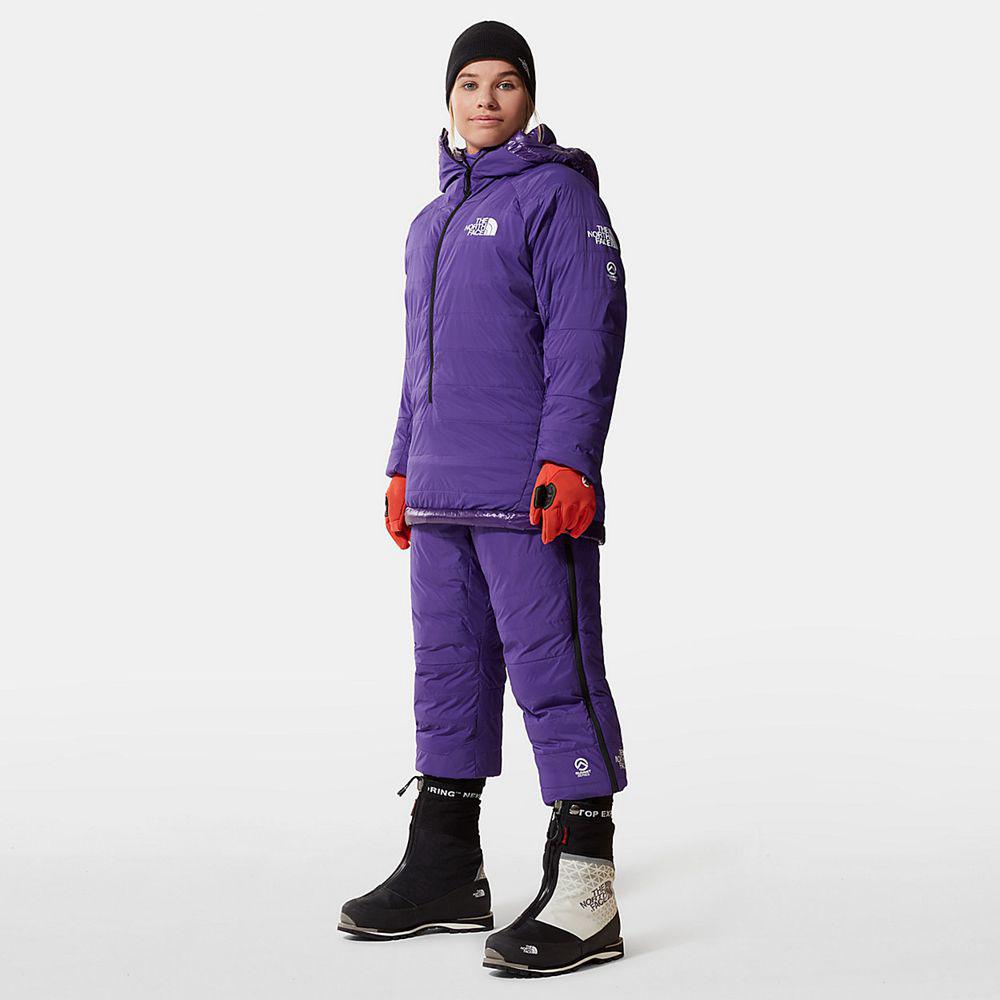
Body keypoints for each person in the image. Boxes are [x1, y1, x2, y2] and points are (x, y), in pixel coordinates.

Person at [339, 21, 629, 976]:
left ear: (529, 98)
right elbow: (418, 360)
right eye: (470, 82)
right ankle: (444, 868)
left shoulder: (559, 197)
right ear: (449, 97)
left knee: (555, 673)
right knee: (447, 673)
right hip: (441, 490)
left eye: (507, 83)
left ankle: (586, 886)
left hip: (528, 490)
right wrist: (402, 465)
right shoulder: (431, 222)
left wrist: (572, 461)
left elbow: (587, 334)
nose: (487, 99)